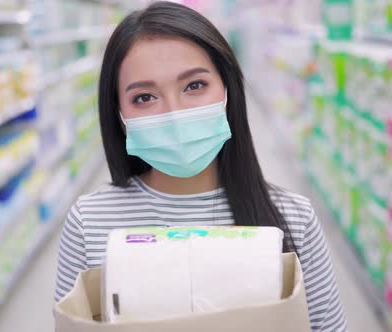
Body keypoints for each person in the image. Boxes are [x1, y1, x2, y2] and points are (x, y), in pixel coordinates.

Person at [55, 2, 347, 331]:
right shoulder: (89, 222)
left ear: (227, 90)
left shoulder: (295, 218)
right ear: (119, 116)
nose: (174, 113)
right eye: (144, 97)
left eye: (194, 86)